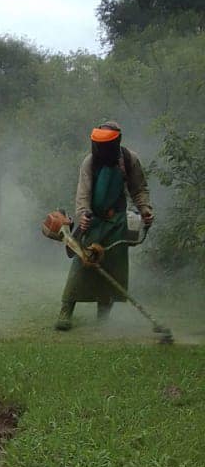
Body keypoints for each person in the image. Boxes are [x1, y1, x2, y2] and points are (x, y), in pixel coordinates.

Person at [55, 120, 154, 330]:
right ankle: (66, 310)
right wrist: (83, 215)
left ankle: (103, 318)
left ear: (116, 143)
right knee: (81, 266)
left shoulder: (129, 160)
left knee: (113, 269)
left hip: (117, 223)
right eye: (98, 144)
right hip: (93, 221)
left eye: (105, 145)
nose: (101, 149)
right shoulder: (90, 162)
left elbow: (139, 189)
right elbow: (83, 193)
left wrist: (145, 209)